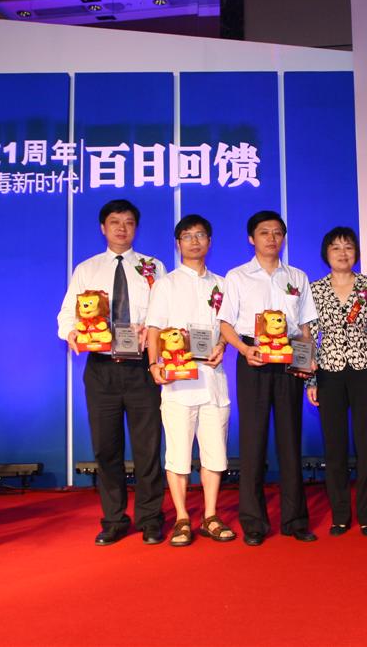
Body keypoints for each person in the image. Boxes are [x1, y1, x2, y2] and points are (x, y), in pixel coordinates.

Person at [57, 199, 167, 546]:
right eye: (115, 222)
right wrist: (72, 333)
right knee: (107, 449)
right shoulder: (87, 269)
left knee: (148, 449)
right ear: (103, 228)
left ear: (136, 228)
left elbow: (166, 313)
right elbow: (67, 314)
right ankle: (114, 519)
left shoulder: (153, 267)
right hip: (101, 369)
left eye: (129, 222)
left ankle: (150, 518)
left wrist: (150, 330)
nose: (122, 228)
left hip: (141, 368)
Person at [218, 210, 318, 546]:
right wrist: (244, 350)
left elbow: (304, 328)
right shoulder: (237, 276)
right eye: (264, 232)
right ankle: (254, 523)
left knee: (290, 440)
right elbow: (225, 324)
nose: (271, 238)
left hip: (288, 360)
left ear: (283, 238)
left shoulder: (297, 277)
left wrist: (306, 361)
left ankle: (295, 520)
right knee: (253, 442)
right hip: (254, 358)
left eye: (277, 232)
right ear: (252, 238)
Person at [145, 214, 235, 546]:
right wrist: (154, 363)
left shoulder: (223, 284)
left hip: (212, 378)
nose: (194, 241)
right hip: (178, 382)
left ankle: (210, 515)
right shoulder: (166, 284)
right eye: (187, 236)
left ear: (210, 241)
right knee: (178, 454)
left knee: (214, 452)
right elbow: (154, 327)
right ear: (178, 243)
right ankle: (183, 517)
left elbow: (228, 327)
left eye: (200, 235)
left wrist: (223, 346)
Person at [305, 227, 367, 537]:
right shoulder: (315, 289)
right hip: (329, 371)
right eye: (336, 247)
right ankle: (340, 515)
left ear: (356, 252)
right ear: (326, 253)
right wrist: (310, 379)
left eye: (348, 247)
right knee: (335, 447)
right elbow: (309, 336)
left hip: (366, 369)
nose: (343, 253)